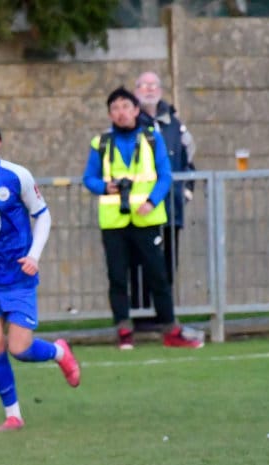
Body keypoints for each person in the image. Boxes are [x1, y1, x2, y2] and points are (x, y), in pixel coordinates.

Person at [0, 117, 80, 432]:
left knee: (19, 348)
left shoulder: (17, 176)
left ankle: (59, 351)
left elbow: (42, 216)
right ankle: (13, 415)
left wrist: (34, 255)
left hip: (18, 273)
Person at [82, 87, 204, 350]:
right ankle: (124, 330)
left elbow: (165, 175)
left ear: (136, 110)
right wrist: (105, 187)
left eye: (126, 107)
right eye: (115, 108)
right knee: (117, 277)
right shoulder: (100, 143)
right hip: (114, 221)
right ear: (109, 114)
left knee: (158, 276)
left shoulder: (151, 138)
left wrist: (151, 201)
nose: (121, 113)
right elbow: (89, 178)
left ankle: (170, 329)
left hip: (147, 219)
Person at [131, 71, 197, 317]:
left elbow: (189, 160)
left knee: (168, 264)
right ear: (136, 90)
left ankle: (164, 316)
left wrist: (185, 193)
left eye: (154, 85)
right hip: (142, 209)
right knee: (140, 265)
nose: (149, 89)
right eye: (144, 85)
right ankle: (141, 314)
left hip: (170, 208)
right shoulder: (131, 124)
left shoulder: (174, 124)